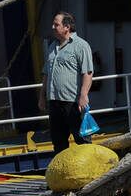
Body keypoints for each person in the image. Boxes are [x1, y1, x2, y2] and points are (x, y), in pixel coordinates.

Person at [39, 11, 94, 154]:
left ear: (67, 27)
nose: (52, 27)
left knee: (82, 139)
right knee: (58, 141)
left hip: (72, 101)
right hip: (54, 102)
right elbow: (46, 73)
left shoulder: (81, 45)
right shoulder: (52, 47)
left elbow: (87, 72)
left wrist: (83, 95)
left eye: (56, 24)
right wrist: (42, 96)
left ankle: (90, 171)